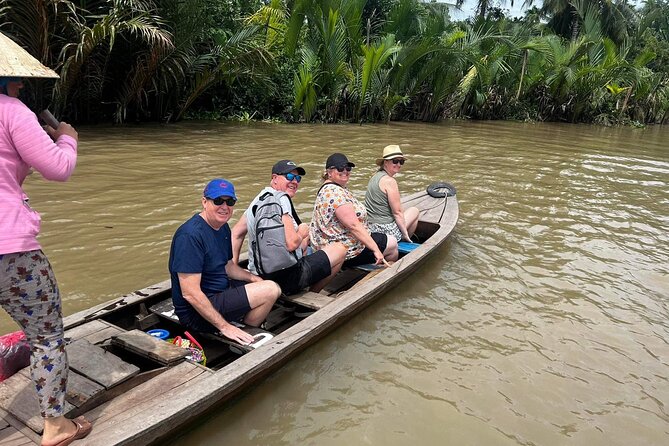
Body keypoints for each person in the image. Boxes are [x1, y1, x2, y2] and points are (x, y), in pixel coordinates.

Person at [0, 32, 92, 446]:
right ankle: (56, 426)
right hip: (10, 249)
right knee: (46, 335)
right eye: (13, 78)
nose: (19, 84)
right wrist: (67, 136)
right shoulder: (12, 111)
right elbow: (57, 168)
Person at [168, 178, 281, 346]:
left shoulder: (223, 228)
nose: (224, 206)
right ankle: (242, 333)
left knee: (265, 282)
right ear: (204, 202)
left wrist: (253, 279)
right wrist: (225, 326)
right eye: (218, 201)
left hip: (219, 292)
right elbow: (190, 293)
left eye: (230, 202)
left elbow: (227, 266)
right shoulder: (190, 236)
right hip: (195, 313)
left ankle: (244, 327)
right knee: (271, 290)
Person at [231, 160, 346, 295]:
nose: (295, 181)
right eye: (289, 177)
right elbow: (292, 244)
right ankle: (312, 294)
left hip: (262, 275)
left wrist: (233, 269)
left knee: (306, 242)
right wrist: (302, 232)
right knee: (340, 249)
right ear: (274, 178)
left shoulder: (258, 200)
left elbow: (236, 234)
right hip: (287, 277)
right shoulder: (282, 199)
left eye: (297, 178)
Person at [310, 153, 398, 267]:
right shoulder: (335, 193)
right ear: (329, 172)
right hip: (346, 249)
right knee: (393, 244)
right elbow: (354, 226)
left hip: (337, 241)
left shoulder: (329, 188)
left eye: (348, 168)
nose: (345, 171)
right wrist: (376, 250)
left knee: (385, 239)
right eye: (340, 168)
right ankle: (383, 276)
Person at [365, 145, 420, 242]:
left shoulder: (374, 176)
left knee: (403, 210)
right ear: (385, 162)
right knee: (414, 211)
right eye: (395, 161)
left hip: (371, 228)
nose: (398, 164)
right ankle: (404, 239)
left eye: (401, 162)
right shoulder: (390, 181)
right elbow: (397, 213)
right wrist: (405, 233)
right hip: (386, 231)